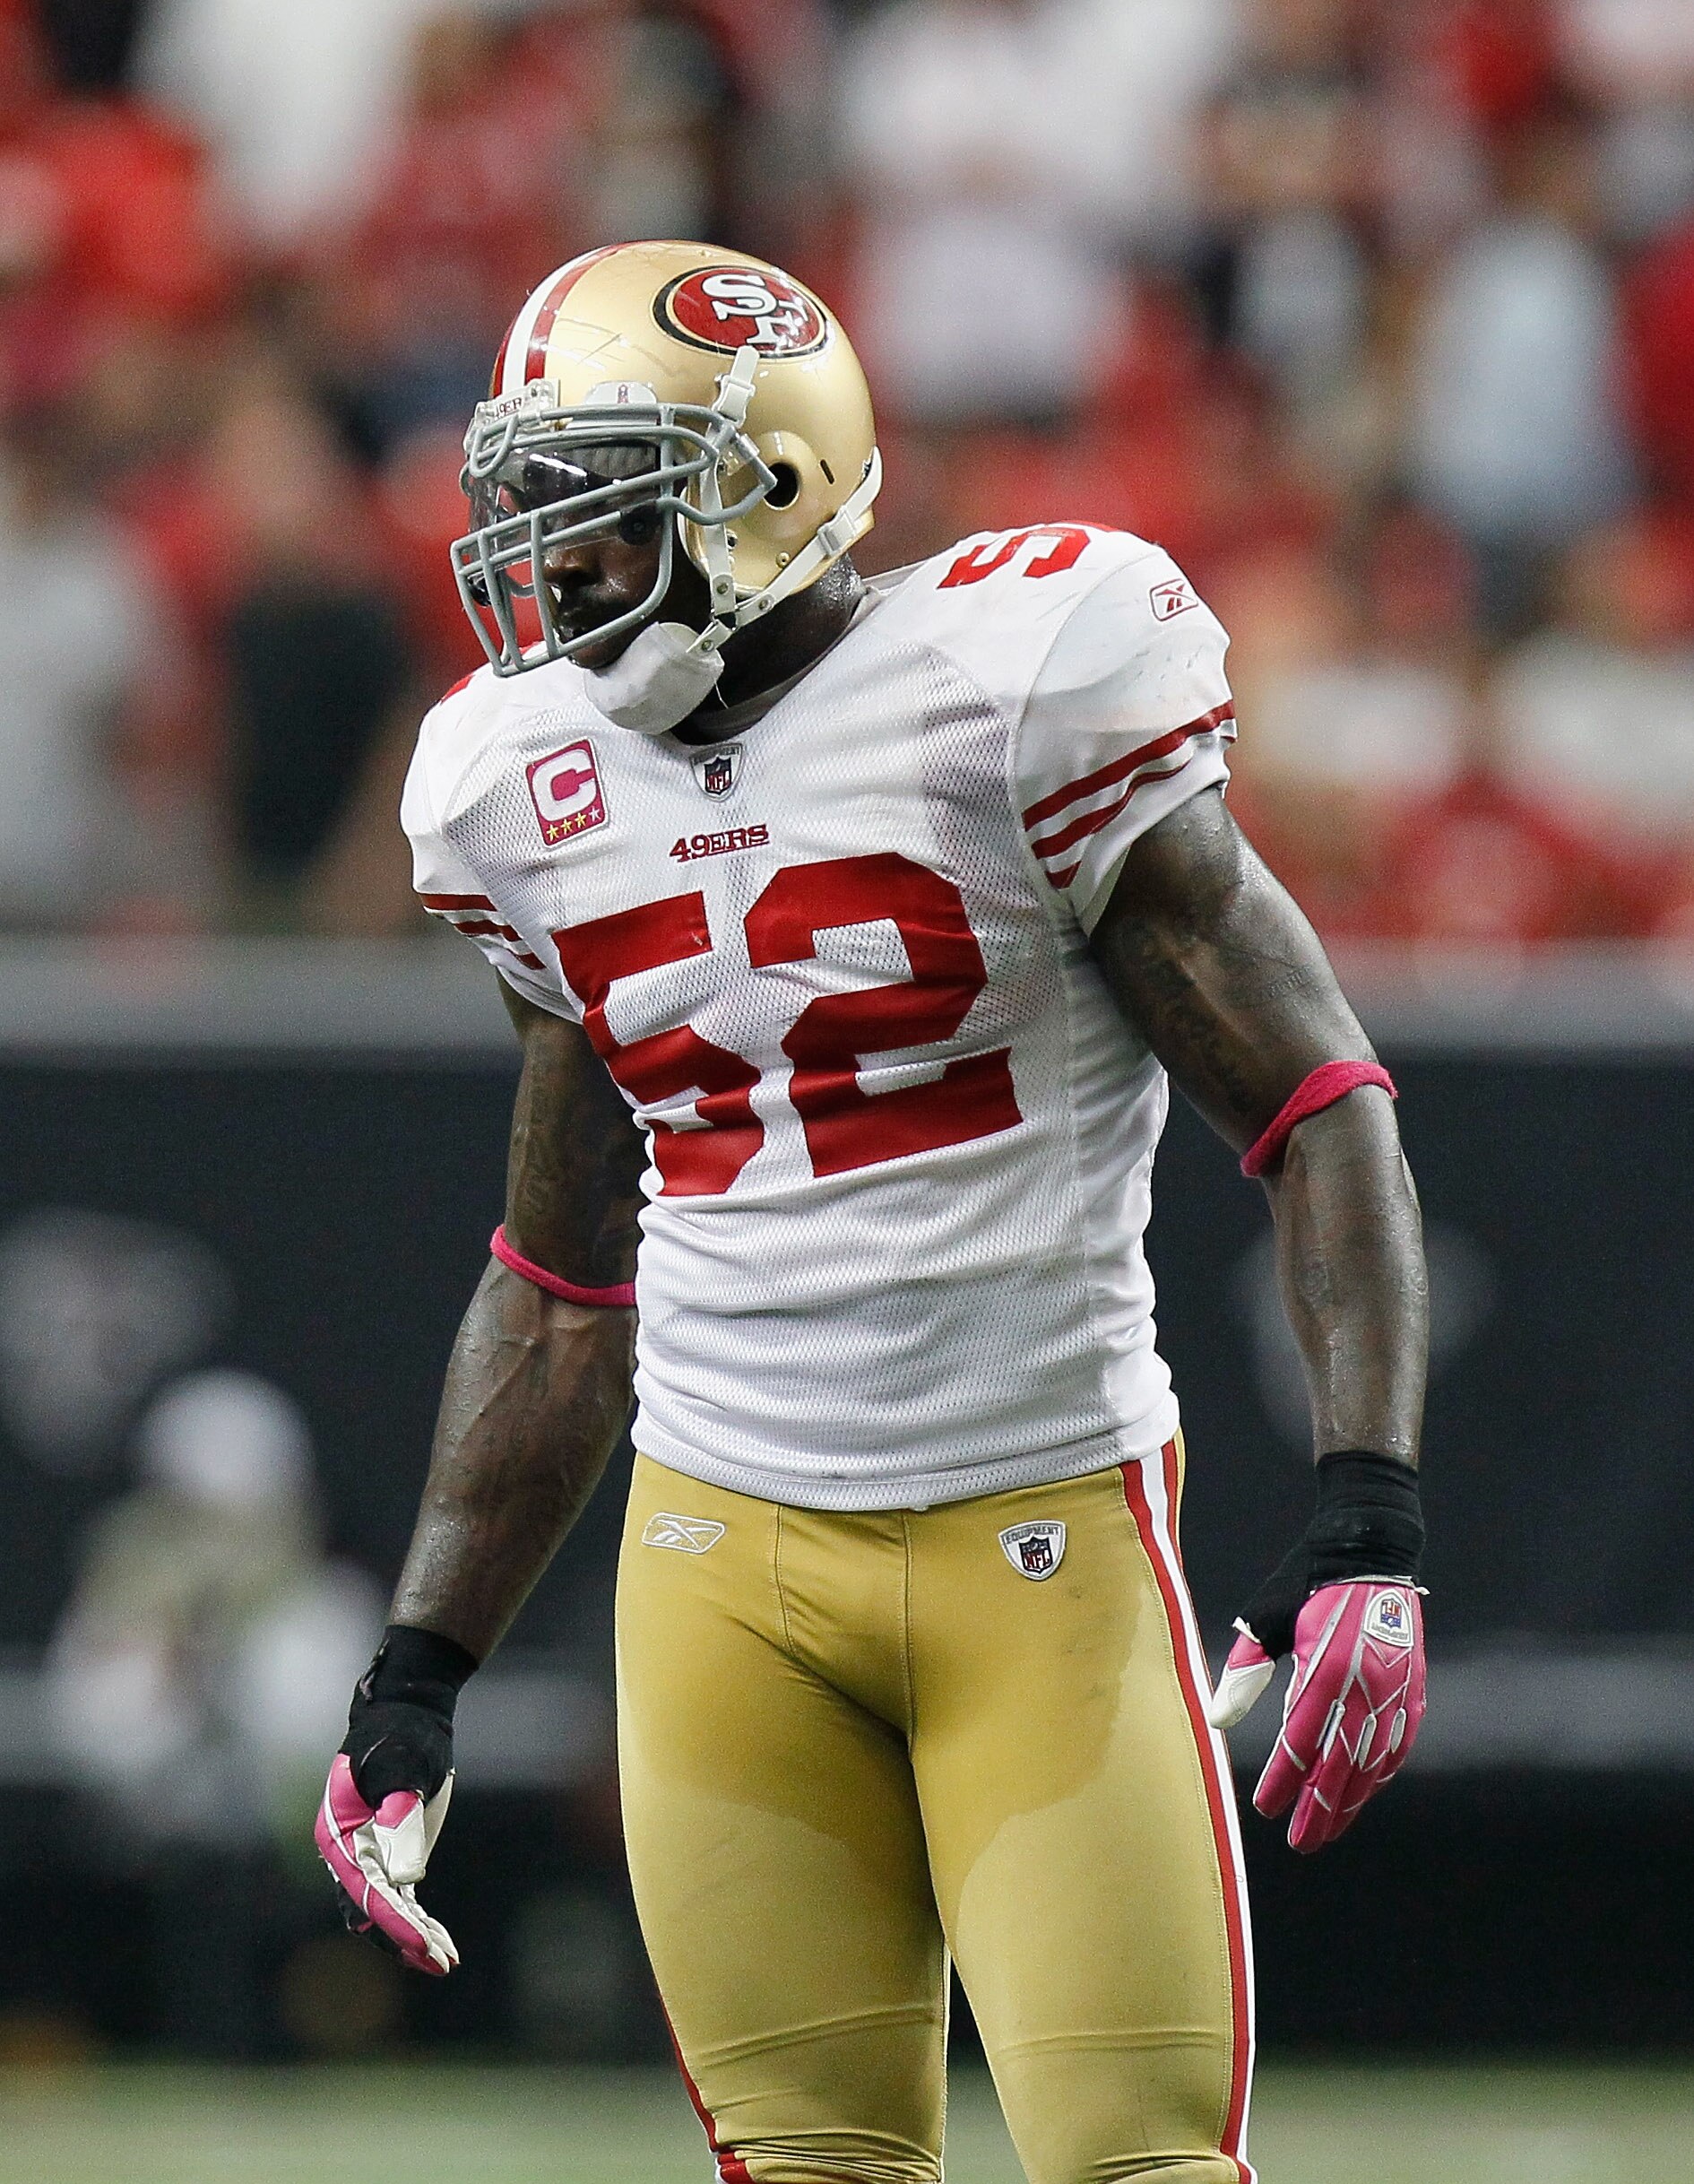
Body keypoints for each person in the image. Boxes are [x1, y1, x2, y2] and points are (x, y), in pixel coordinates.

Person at [316, 241, 1429, 2184]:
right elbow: (566, 1274)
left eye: (600, 508)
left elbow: (1319, 1105)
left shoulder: (1019, 681)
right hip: (717, 1560)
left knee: (1136, 2165)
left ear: (759, 486)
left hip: (1044, 1537)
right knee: (805, 2166)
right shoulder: (519, 782)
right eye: (534, 511)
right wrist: (416, 1673)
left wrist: (1372, 1517)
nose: (551, 569)